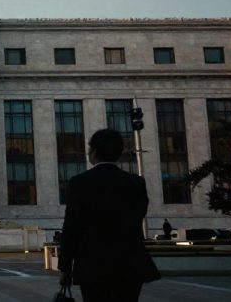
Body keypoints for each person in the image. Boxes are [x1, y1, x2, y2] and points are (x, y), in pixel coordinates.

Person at [58, 129, 160, 302]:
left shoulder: (80, 183)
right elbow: (138, 216)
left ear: (94, 151)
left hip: (93, 265)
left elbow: (71, 228)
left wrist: (65, 267)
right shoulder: (136, 183)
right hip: (129, 264)